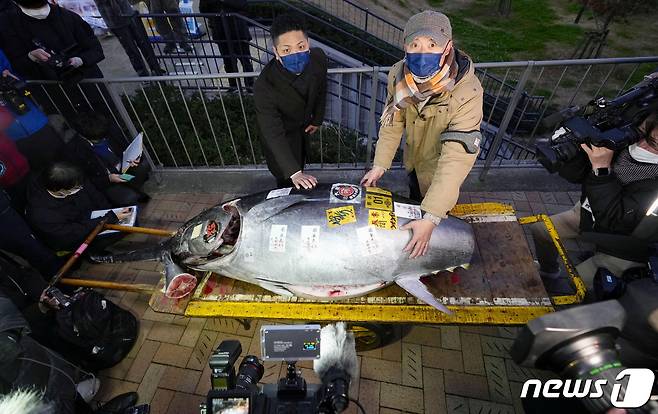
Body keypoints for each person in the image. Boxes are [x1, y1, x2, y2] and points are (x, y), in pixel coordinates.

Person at [360, 10, 483, 259]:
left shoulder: (467, 92)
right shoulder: (398, 75)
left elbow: (456, 160)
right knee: (415, 206)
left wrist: (433, 216)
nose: (422, 52)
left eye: (432, 44)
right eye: (415, 44)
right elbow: (393, 120)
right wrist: (380, 165)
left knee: (436, 226)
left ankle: (441, 262)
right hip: (414, 163)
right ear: (405, 46)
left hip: (441, 170)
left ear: (447, 47)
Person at [530, 110, 658, 291]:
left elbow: (614, 220)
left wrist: (601, 169)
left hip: (625, 245)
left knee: (579, 285)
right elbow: (578, 176)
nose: (640, 144)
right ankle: (548, 273)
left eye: (654, 144)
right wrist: (571, 150)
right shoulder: (626, 142)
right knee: (541, 230)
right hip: (590, 213)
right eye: (641, 133)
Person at [254, 13, 327, 189]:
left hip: (303, 130)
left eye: (300, 46)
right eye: (286, 50)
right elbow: (272, 132)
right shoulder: (264, 86)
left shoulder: (318, 59)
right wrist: (294, 172)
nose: (295, 54)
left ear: (308, 44)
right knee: (285, 179)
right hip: (282, 137)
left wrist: (317, 119)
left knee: (301, 161)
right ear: (276, 52)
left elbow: (322, 90)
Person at [25, 161, 131, 253]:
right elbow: (72, 233)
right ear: (58, 190)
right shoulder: (41, 213)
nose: (80, 188)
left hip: (91, 218)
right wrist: (109, 219)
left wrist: (109, 210)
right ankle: (93, 252)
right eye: (76, 188)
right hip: (74, 237)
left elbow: (95, 194)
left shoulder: (73, 179)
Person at [65, 111, 151, 206]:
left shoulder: (108, 129)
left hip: (125, 166)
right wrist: (108, 178)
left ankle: (137, 191)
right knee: (128, 197)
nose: (103, 140)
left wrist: (135, 157)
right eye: (98, 139)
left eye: (104, 137)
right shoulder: (74, 150)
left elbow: (127, 146)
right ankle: (130, 196)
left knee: (144, 165)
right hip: (107, 180)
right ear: (83, 135)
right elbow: (86, 182)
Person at [1, 49, 64, 169]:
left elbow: (17, 75)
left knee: (64, 164)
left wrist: (11, 77)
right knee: (42, 171)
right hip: (12, 135)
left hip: (36, 121)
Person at [92, 0, 166, 76]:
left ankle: (155, 68)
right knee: (131, 50)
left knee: (144, 43)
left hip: (129, 15)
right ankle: (142, 74)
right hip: (116, 21)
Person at [199, 0, 254, 91]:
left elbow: (244, 6)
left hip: (238, 30)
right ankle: (233, 85)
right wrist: (215, 16)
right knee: (228, 61)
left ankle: (250, 84)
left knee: (245, 59)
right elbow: (203, 10)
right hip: (220, 30)